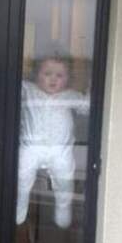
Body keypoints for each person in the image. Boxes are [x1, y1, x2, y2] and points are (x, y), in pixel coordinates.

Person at [16, 51, 90, 229]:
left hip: (60, 149)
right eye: (47, 74)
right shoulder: (29, 90)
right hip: (31, 146)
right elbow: (10, 86)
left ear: (67, 79)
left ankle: (63, 210)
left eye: (59, 75)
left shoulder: (70, 96)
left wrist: (91, 87)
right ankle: (19, 208)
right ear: (37, 75)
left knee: (65, 181)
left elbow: (86, 107)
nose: (53, 79)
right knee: (21, 179)